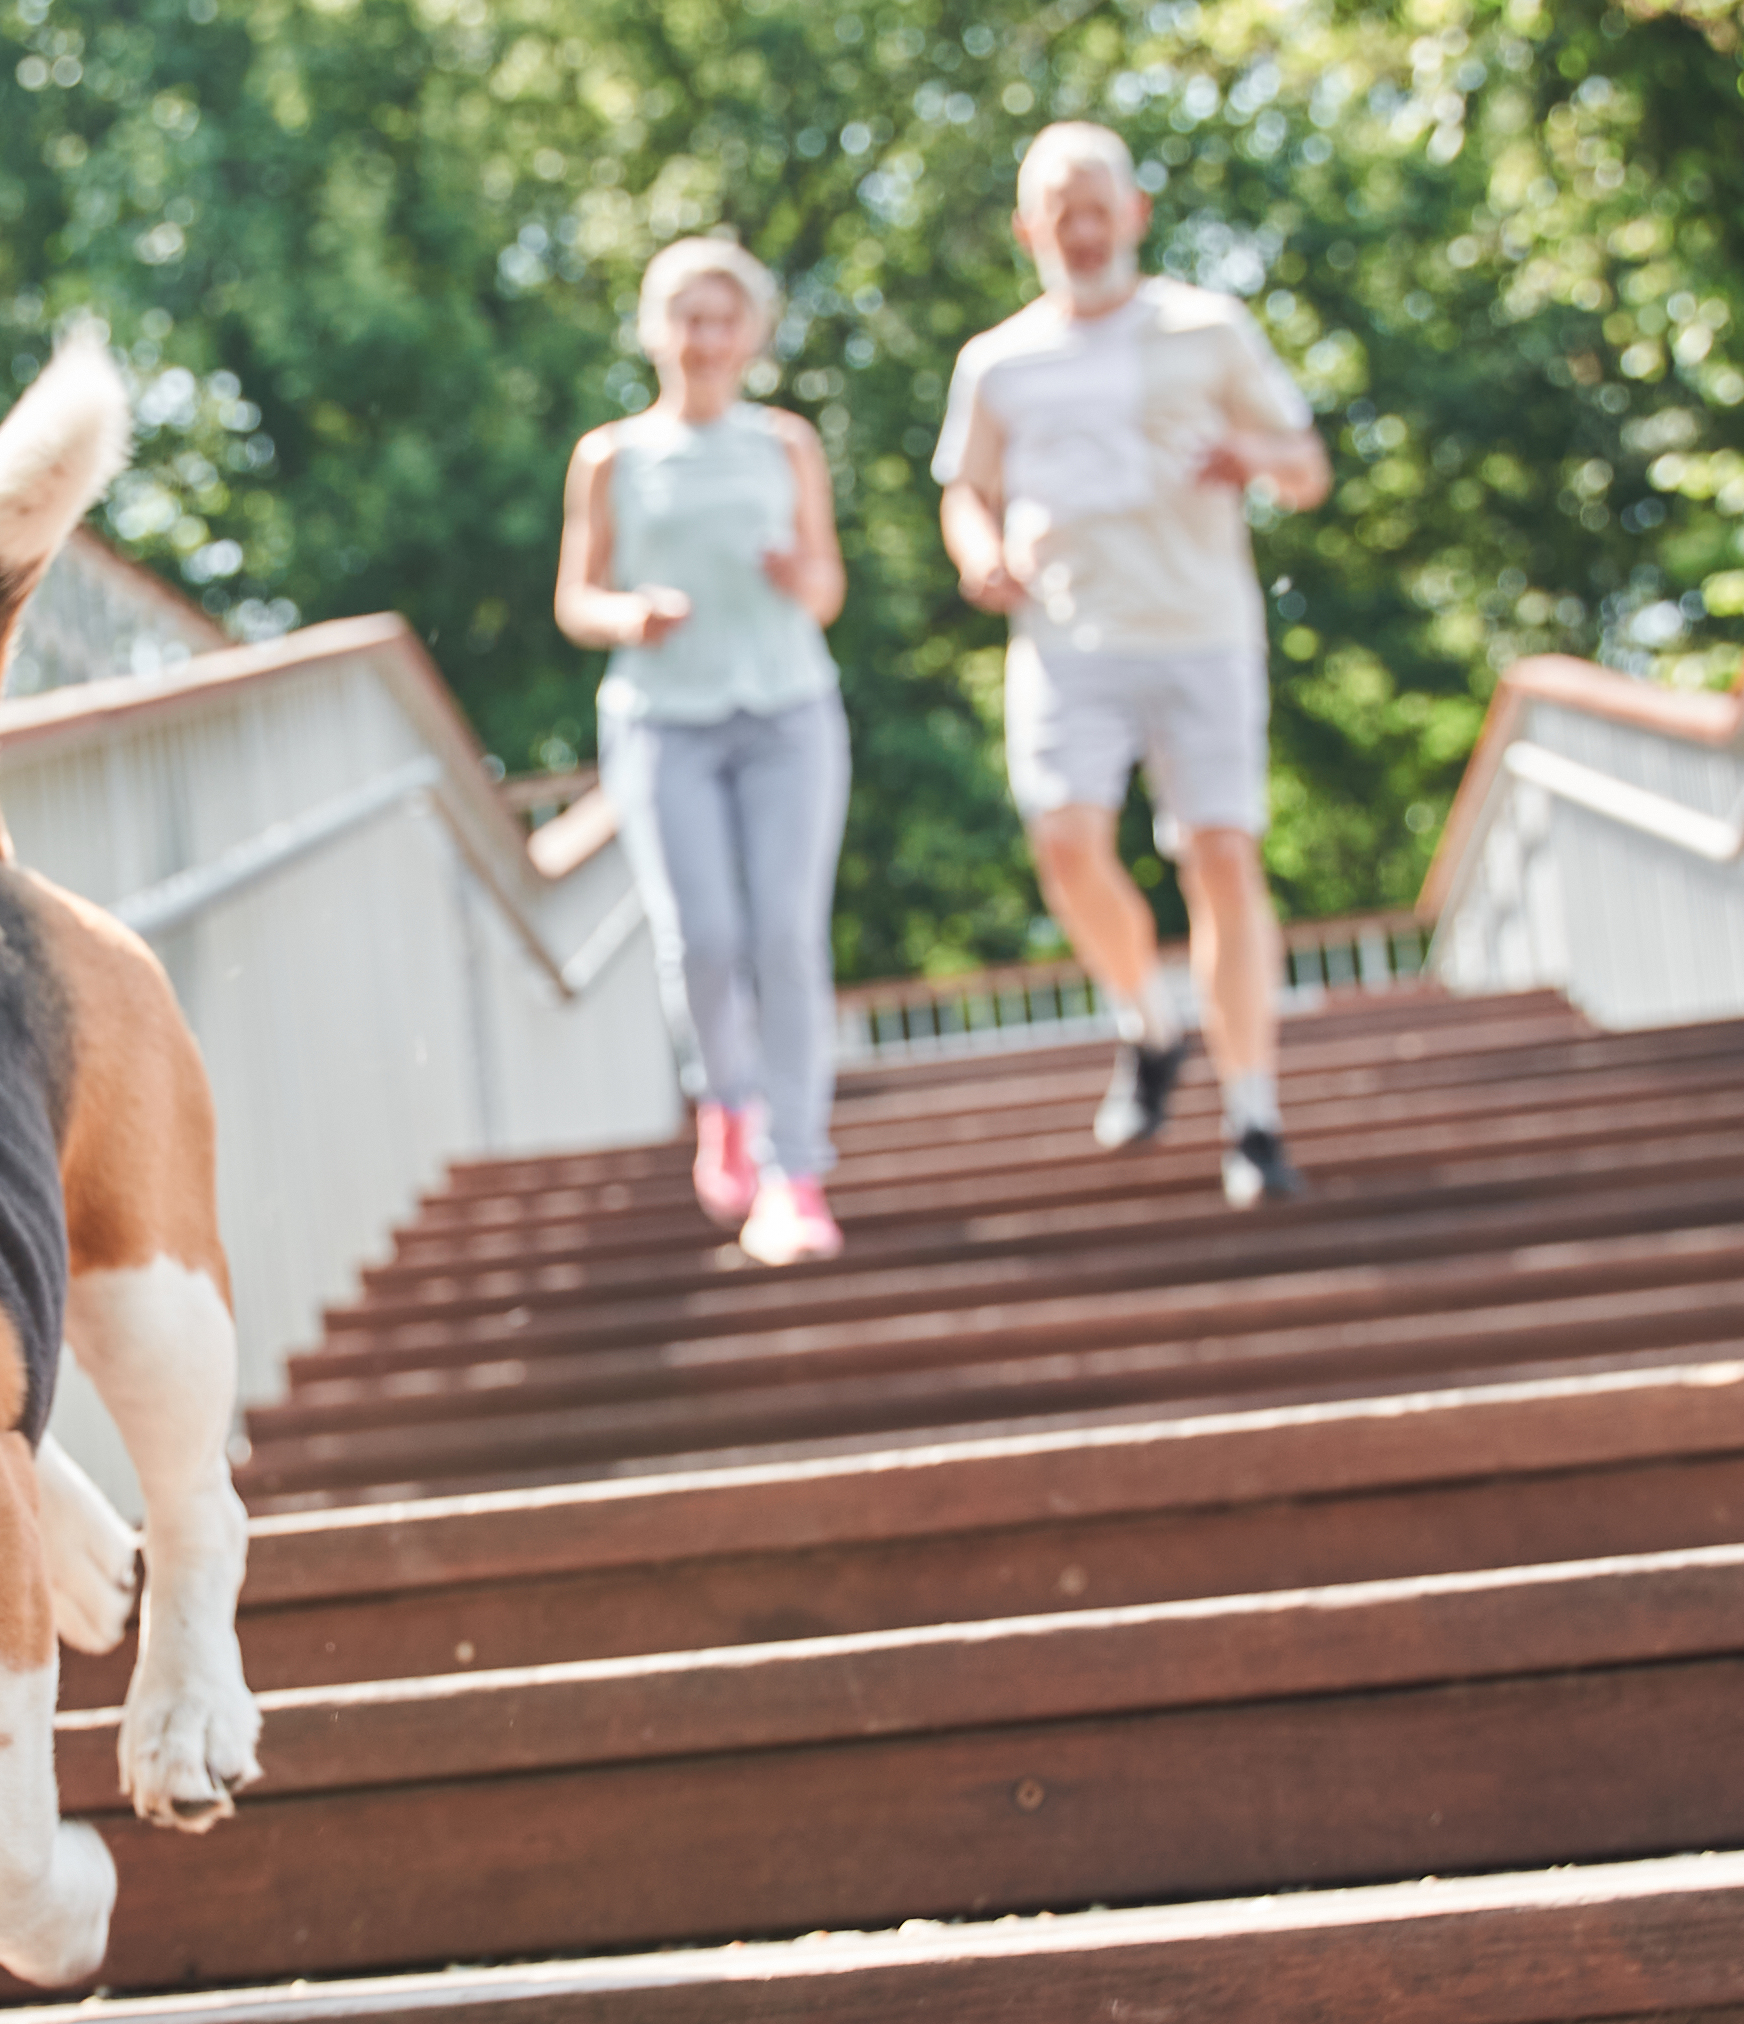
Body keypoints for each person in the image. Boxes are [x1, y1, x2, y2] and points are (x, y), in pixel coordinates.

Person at [933, 123, 1334, 1206]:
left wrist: (1250, 456)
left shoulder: (1209, 326)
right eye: (1056, 204)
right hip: (1068, 641)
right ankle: (1151, 1026)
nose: (1079, 219)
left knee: (1219, 855)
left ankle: (1252, 1118)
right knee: (1065, 840)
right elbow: (965, 492)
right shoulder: (998, 360)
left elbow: (1307, 467)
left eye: (1095, 197)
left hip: (1201, 630)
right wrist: (981, 554)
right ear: (1028, 227)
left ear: (1136, 210)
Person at [560, 231, 855, 1266]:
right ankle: (721, 1098)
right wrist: (629, 611)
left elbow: (829, 590)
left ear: (753, 336)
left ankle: (795, 1170)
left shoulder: (784, 444)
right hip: (661, 721)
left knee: (785, 936)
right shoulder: (612, 455)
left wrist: (795, 574)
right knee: (706, 937)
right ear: (656, 330)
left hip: (787, 710)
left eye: (725, 318)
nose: (706, 336)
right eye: (688, 316)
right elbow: (575, 598)